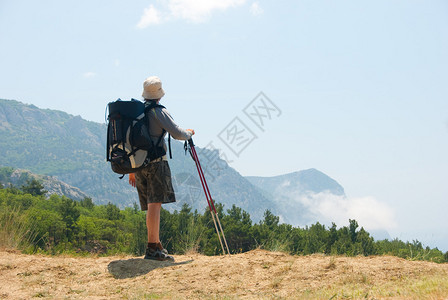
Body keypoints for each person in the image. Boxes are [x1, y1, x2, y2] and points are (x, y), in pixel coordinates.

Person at [128, 76, 194, 261]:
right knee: (155, 205)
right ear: (159, 94)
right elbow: (177, 133)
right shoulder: (158, 112)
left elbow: (130, 142)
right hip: (157, 163)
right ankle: (152, 248)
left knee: (151, 206)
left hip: (139, 165)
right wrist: (189, 133)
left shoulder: (136, 113)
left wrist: (132, 169)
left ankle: (156, 244)